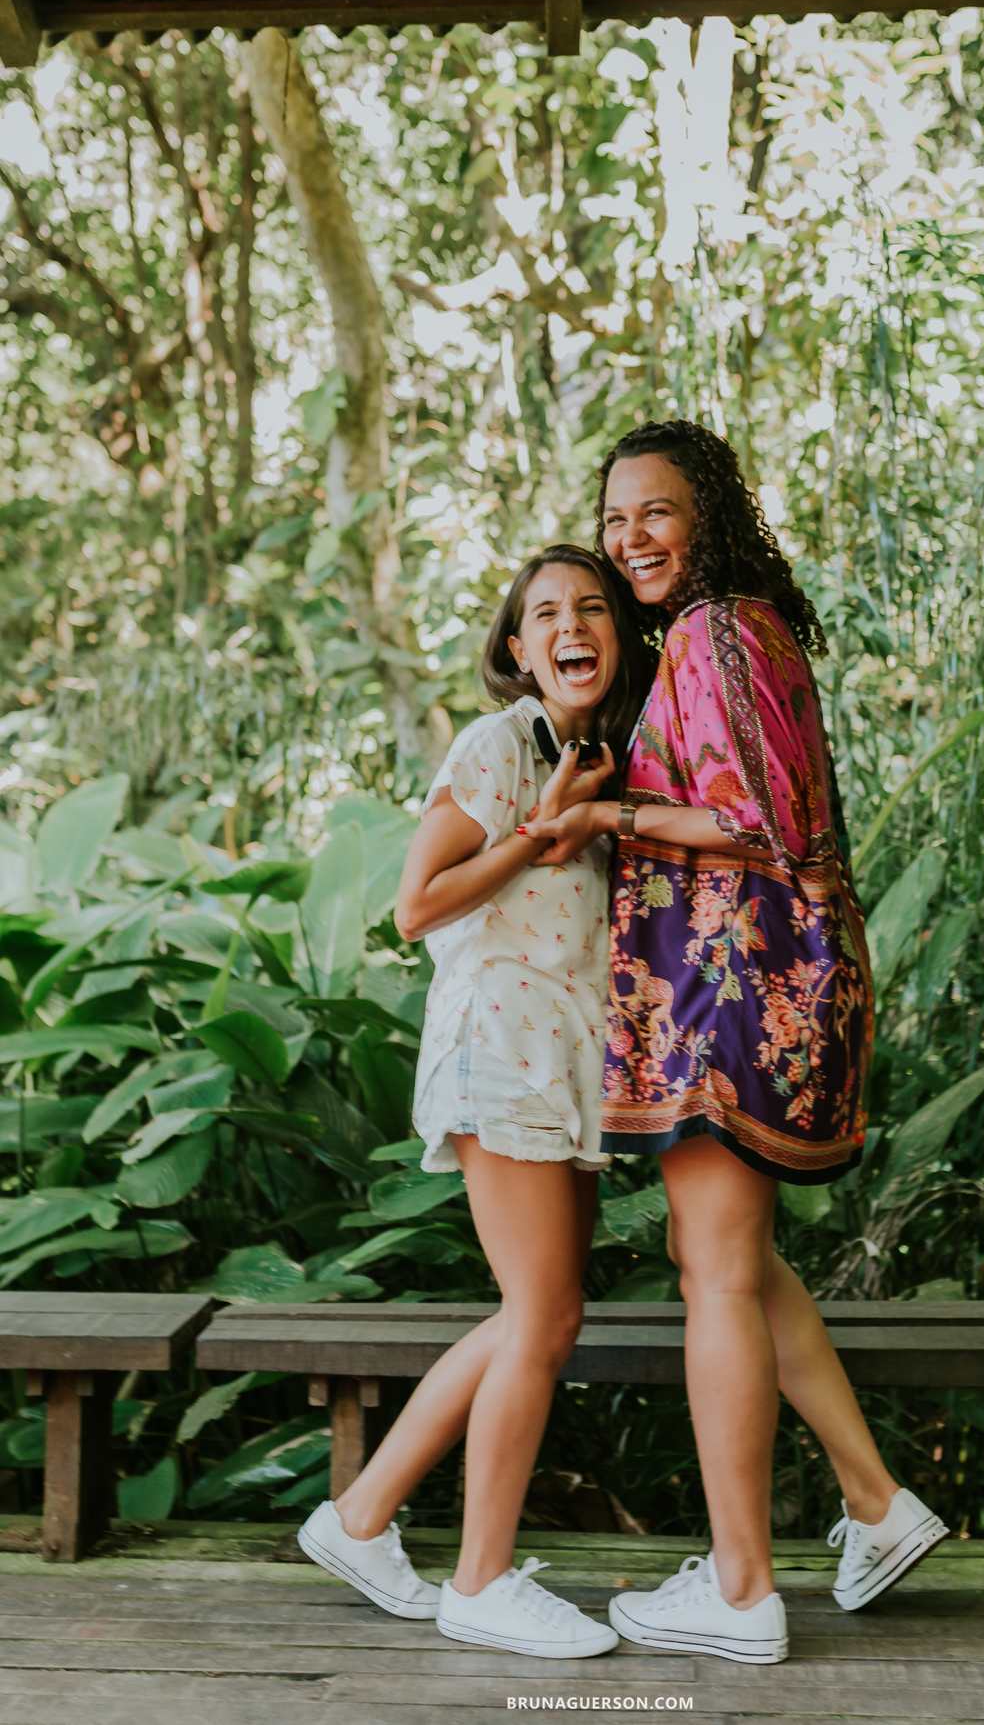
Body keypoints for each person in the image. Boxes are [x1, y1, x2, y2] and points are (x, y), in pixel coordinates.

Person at [524, 421, 947, 1665]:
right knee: (734, 1260)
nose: (630, 538)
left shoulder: (716, 630)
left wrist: (610, 811)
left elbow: (757, 820)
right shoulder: (738, 630)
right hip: (764, 978)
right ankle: (877, 1502)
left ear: (705, 513)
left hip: (737, 980)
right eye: (614, 520)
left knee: (712, 1274)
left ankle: (744, 1586)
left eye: (654, 511)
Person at [299, 545, 653, 1660]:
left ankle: (359, 1520)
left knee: (537, 1314)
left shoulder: (601, 758)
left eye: (592, 607)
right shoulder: (500, 744)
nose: (571, 626)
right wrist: (541, 830)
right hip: (500, 1044)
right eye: (545, 614)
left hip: (559, 1058)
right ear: (516, 648)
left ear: (620, 634)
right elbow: (416, 906)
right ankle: (480, 1580)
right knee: (542, 1318)